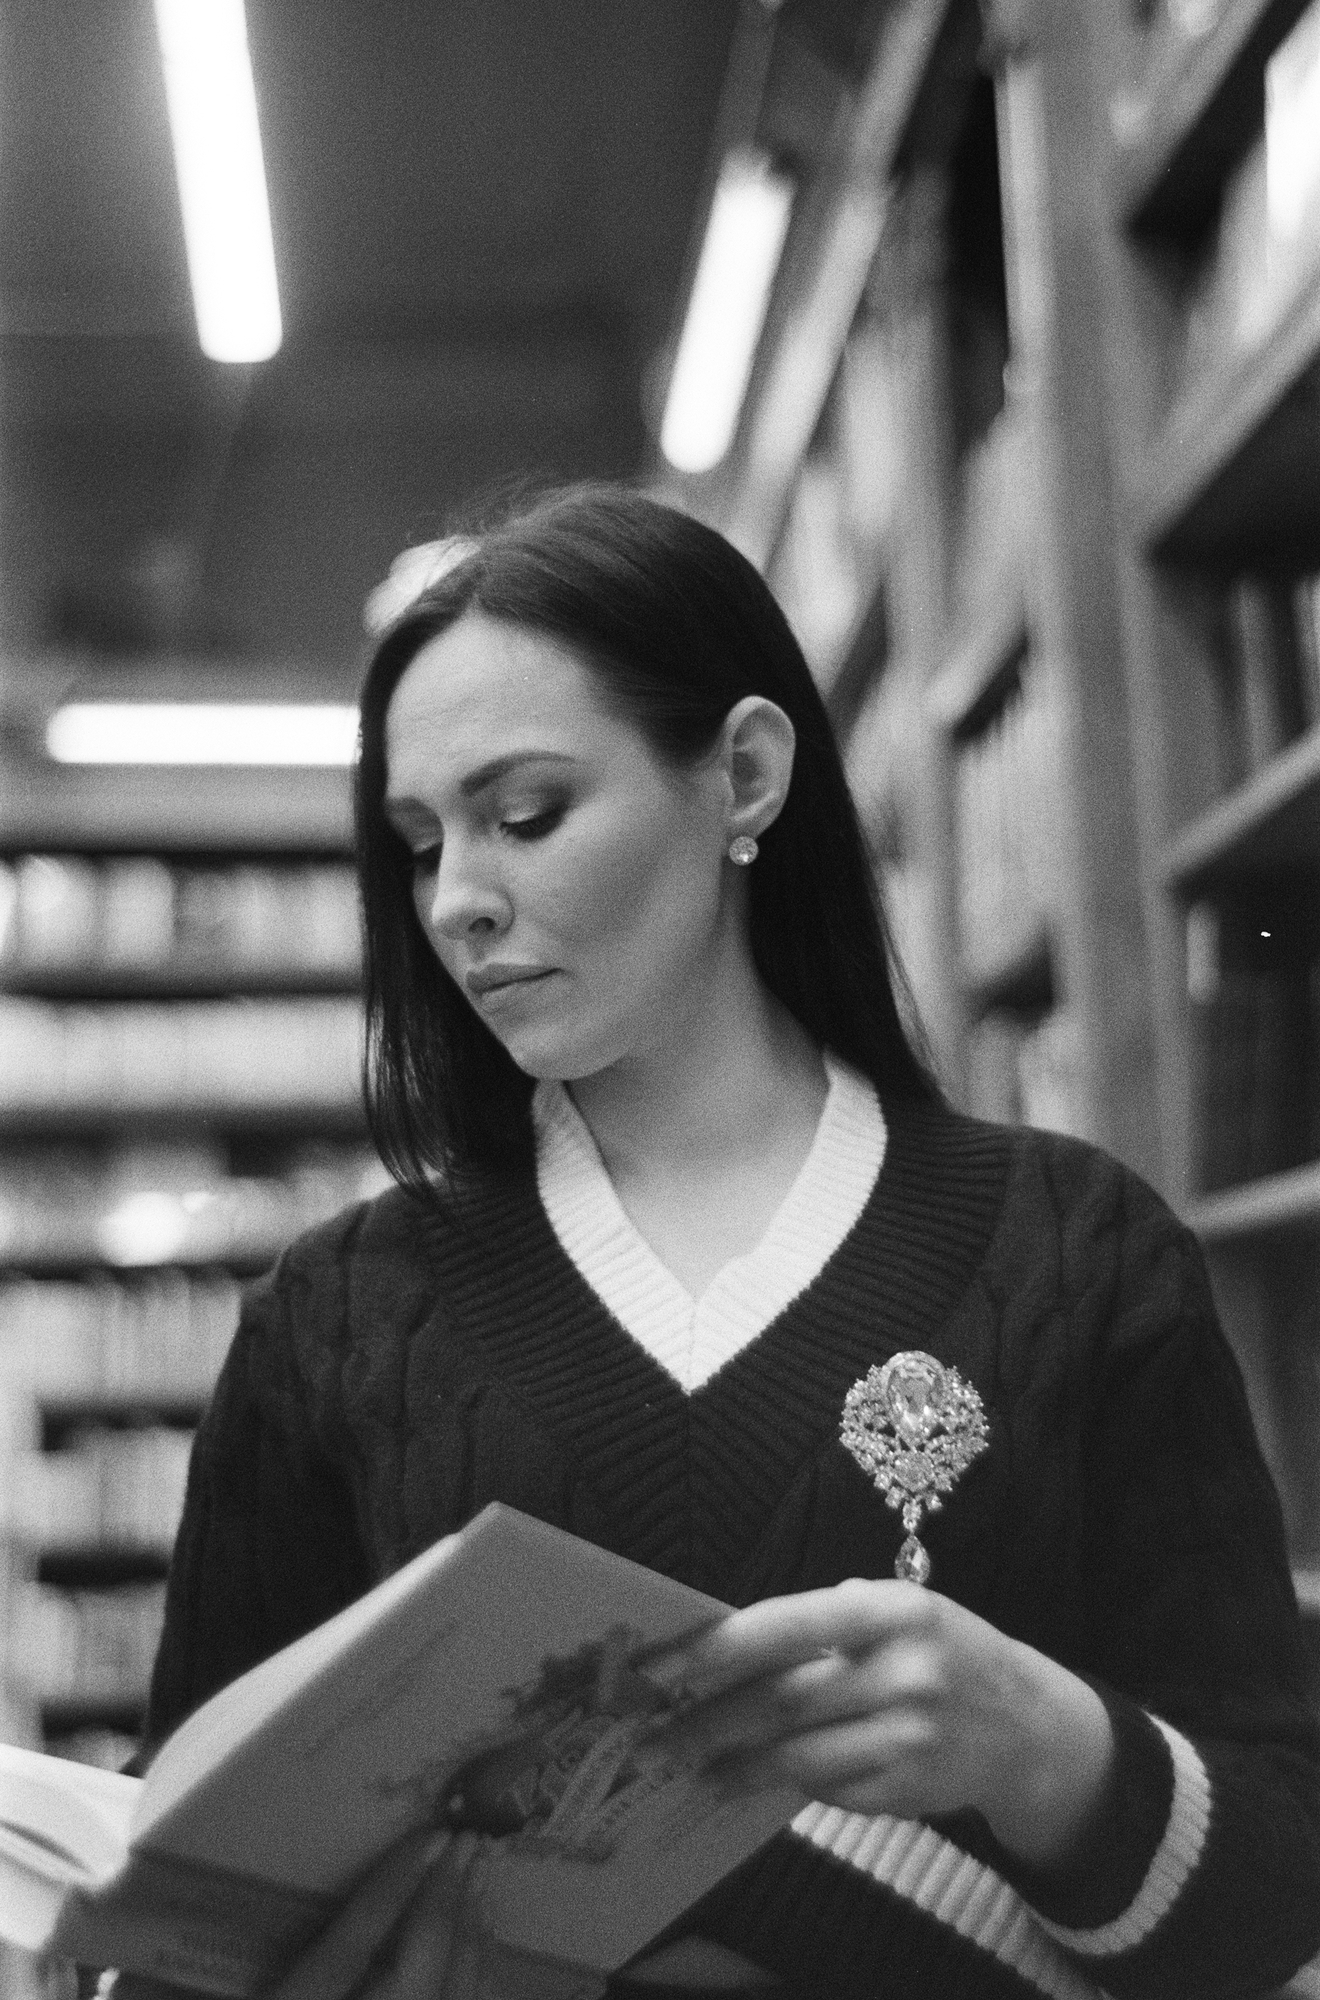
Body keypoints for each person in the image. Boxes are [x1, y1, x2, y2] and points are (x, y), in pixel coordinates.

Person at [137, 486, 1320, 1999]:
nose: (459, 904)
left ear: (745, 777)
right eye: (419, 846)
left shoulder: (1077, 1252)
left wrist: (1047, 1751)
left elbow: (1281, 1895)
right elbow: (168, 1904)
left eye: (526, 816)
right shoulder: (338, 1320)